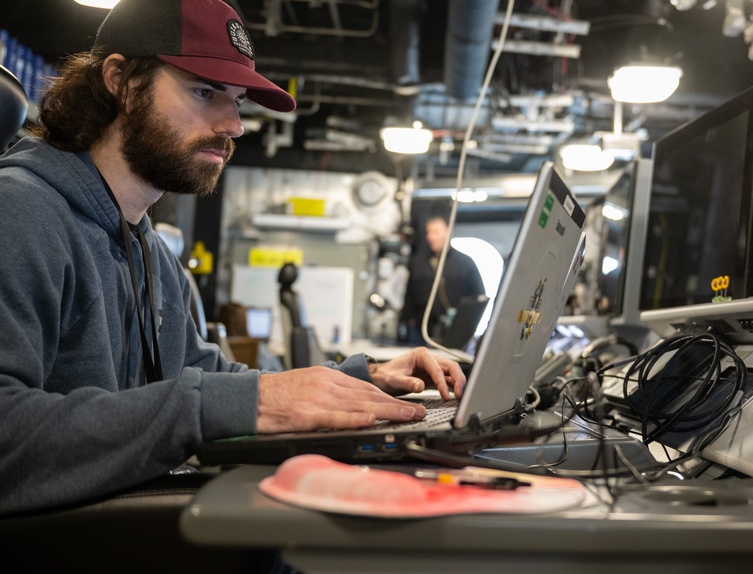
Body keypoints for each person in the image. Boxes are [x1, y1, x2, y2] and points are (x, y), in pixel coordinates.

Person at [0, 0, 465, 516]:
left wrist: (359, 378)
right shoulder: (20, 213)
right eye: (205, 92)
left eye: (237, 100)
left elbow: (205, 376)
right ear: (122, 82)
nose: (235, 125)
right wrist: (224, 406)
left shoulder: (149, 250)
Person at [401, 214, 486, 345]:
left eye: (435, 232)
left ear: (448, 231)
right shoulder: (417, 263)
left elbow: (478, 297)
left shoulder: (465, 263)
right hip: (420, 333)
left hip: (455, 333)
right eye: (428, 232)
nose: (430, 237)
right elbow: (409, 296)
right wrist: (409, 319)